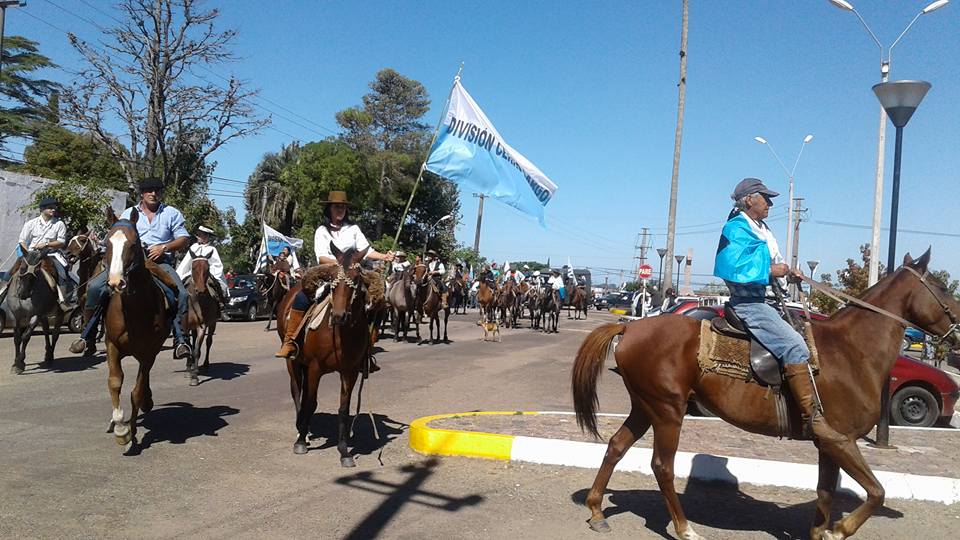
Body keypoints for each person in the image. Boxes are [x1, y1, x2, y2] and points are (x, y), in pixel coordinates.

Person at [714, 177, 842, 443]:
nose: (771, 203)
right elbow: (732, 267)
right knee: (796, 346)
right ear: (749, 199)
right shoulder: (736, 228)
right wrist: (772, 270)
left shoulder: (762, 227)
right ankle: (812, 419)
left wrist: (788, 272)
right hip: (750, 304)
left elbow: (773, 262)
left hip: (769, 300)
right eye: (765, 197)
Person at [69, 177, 192, 359]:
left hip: (159, 262)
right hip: (128, 262)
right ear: (141, 193)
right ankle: (88, 335)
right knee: (95, 288)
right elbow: (117, 236)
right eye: (149, 190)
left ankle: (181, 340)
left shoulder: (171, 213)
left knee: (180, 294)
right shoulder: (128, 213)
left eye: (157, 190)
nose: (153, 193)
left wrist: (163, 247)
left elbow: (183, 238)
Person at [276, 191, 395, 359]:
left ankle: (368, 344)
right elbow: (321, 257)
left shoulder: (353, 229)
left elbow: (367, 251)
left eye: (343, 207)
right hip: (328, 271)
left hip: (353, 272)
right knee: (302, 297)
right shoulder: (322, 230)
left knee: (379, 298)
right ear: (329, 209)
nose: (340, 210)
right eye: (337, 207)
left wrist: (384, 256)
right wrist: (339, 263)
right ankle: (290, 341)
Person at [1, 197, 74, 312]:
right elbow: (22, 241)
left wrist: (46, 244)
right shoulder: (31, 223)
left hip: (51, 254)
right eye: (50, 208)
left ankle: (62, 302)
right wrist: (28, 253)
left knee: (62, 274)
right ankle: (2, 294)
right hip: (31, 254)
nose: (53, 210)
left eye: (54, 207)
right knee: (9, 273)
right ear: (42, 209)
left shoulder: (59, 224)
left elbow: (61, 242)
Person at [175, 225, 228, 306]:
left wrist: (210, 273)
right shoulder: (193, 248)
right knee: (181, 286)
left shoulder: (212, 249)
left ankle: (221, 305)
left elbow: (217, 265)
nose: (198, 237)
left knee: (219, 287)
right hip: (192, 273)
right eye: (198, 234)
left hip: (208, 274)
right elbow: (185, 264)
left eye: (200, 235)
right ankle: (179, 305)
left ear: (206, 236)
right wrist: (179, 275)